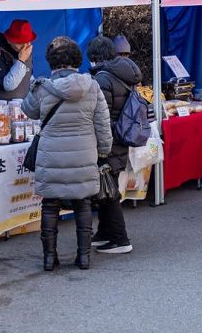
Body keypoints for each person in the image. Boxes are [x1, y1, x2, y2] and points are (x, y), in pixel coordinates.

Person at [22, 37, 112, 270]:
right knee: (82, 204)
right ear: (77, 60)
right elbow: (103, 124)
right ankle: (83, 258)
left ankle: (49, 259)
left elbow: (28, 110)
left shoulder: (42, 87)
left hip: (50, 155)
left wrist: (33, 87)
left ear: (51, 62)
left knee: (50, 205)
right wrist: (103, 152)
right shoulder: (92, 86)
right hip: (83, 155)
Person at [87, 36, 140, 254]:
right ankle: (105, 232)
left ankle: (121, 239)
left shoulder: (102, 79)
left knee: (109, 192)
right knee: (108, 187)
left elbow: (102, 116)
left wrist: (101, 145)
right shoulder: (123, 74)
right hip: (122, 136)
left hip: (109, 139)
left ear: (93, 57)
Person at [0, 19, 36, 115]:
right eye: (21, 42)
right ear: (10, 40)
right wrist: (21, 60)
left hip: (19, 112)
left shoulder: (24, 50)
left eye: (28, 41)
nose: (25, 46)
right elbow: (8, 85)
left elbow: (28, 76)